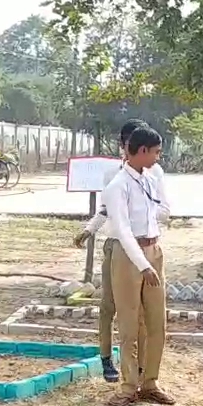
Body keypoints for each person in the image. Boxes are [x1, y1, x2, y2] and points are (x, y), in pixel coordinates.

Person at [72, 118, 170, 383]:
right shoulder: (114, 177)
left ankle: (140, 371)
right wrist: (90, 228)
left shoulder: (152, 174)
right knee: (110, 306)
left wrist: (139, 219)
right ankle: (107, 358)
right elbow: (107, 209)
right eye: (124, 143)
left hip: (143, 244)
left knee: (141, 314)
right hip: (117, 245)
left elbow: (163, 209)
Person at [101, 125, 175, 406]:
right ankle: (128, 385)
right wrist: (143, 264)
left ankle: (151, 382)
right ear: (142, 151)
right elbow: (121, 229)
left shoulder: (149, 179)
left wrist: (152, 255)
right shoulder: (117, 186)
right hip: (129, 256)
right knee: (129, 323)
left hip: (153, 250)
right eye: (155, 152)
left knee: (157, 321)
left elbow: (158, 213)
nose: (158, 157)